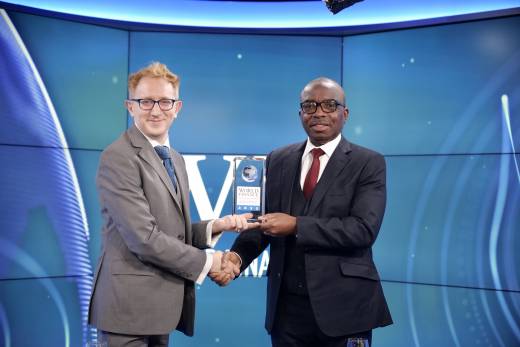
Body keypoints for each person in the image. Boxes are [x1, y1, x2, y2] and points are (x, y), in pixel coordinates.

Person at [216, 77, 393, 346]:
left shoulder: (368, 162)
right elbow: (265, 220)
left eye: (329, 105)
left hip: (344, 310)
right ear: (300, 114)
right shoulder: (279, 158)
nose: (319, 112)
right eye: (310, 105)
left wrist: (297, 225)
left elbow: (363, 230)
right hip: (287, 312)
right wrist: (237, 258)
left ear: (344, 114)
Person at [88, 62, 253, 347]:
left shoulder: (174, 158)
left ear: (177, 108)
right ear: (130, 106)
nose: (155, 110)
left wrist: (215, 226)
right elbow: (143, 238)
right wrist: (208, 262)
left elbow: (166, 229)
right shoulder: (118, 157)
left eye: (164, 102)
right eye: (146, 101)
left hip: (161, 307)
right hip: (126, 311)